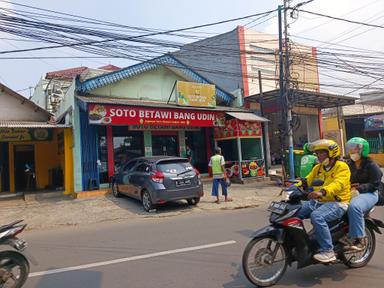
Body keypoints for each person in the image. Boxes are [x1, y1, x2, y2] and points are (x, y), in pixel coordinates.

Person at [297, 139, 351, 263]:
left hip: (338, 203)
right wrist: (295, 187)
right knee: (296, 212)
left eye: (322, 153)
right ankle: (302, 243)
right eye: (317, 153)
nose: (318, 156)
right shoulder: (318, 167)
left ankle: (328, 251)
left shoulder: (342, 167)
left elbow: (338, 184)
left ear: (331, 153)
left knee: (317, 217)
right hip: (320, 201)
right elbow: (307, 180)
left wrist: (322, 192)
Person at [339, 137, 382, 251]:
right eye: (351, 149)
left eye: (355, 149)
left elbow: (375, 184)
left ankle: (359, 239)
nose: (352, 151)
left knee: (355, 206)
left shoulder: (372, 165)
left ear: (363, 150)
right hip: (352, 192)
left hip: (370, 193)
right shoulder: (349, 164)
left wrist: (359, 188)